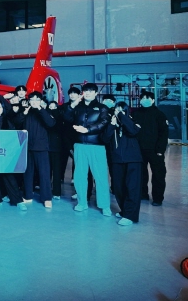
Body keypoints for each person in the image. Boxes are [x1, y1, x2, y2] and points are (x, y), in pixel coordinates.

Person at [63, 82, 112, 216]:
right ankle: (82, 202)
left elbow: (103, 123)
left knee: (100, 176)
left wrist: (87, 130)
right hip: (79, 145)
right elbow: (67, 118)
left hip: (96, 145)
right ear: (82, 93)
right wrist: (72, 105)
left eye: (91, 91)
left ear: (96, 93)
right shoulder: (77, 107)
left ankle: (104, 205)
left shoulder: (102, 108)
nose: (88, 93)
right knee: (79, 176)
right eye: (86, 91)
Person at [101, 101, 142, 226]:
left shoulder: (133, 121)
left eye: (121, 110)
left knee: (132, 188)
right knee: (118, 187)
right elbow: (104, 139)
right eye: (116, 109)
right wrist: (112, 125)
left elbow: (133, 131)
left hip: (133, 159)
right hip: (116, 159)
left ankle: (130, 216)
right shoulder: (112, 123)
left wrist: (122, 116)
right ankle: (124, 210)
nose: (118, 112)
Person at [15, 91, 55, 208]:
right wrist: (24, 113)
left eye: (37, 100)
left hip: (41, 147)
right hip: (27, 147)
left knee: (44, 173)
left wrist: (40, 109)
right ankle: (28, 195)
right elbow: (16, 123)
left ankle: (46, 198)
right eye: (32, 100)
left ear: (40, 101)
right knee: (28, 173)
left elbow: (51, 123)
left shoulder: (44, 111)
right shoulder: (26, 112)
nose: (34, 102)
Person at [133, 91, 169, 206]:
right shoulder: (135, 114)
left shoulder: (159, 115)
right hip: (139, 150)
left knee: (158, 175)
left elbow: (164, 134)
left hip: (155, 151)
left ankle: (158, 198)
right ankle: (143, 194)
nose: (145, 100)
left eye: (147, 98)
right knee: (141, 174)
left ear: (153, 100)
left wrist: (160, 150)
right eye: (143, 98)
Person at [47, 100, 62, 200]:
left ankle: (57, 192)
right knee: (47, 171)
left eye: (54, 107)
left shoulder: (60, 118)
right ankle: (47, 190)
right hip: (47, 147)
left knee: (57, 171)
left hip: (57, 148)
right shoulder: (45, 118)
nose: (52, 109)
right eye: (50, 107)